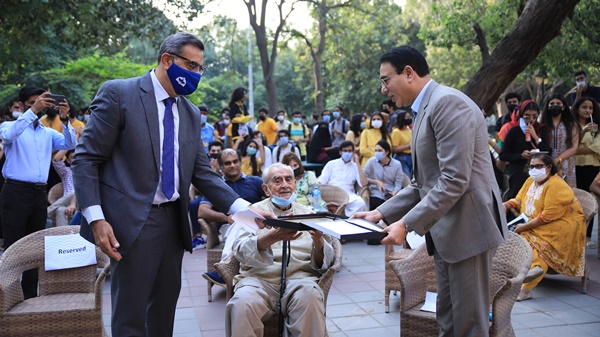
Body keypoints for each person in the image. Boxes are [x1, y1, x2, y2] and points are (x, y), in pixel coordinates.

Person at [72, 33, 272, 337]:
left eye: (199, 68)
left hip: (173, 221)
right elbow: (86, 159)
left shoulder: (190, 113)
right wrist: (96, 218)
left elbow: (203, 174)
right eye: (189, 65)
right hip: (132, 219)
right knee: (130, 314)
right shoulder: (120, 94)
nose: (194, 74)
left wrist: (248, 212)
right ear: (167, 59)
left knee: (164, 310)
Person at [354, 46, 505, 337]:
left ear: (408, 73)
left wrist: (406, 224)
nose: (383, 89)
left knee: (468, 325)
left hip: (468, 231)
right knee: (448, 320)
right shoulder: (425, 107)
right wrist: (380, 212)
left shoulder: (447, 103)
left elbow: (453, 180)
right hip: (448, 233)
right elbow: (421, 183)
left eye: (386, 80)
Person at [226, 163, 334, 337]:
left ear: (295, 183)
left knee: (310, 296)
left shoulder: (309, 214)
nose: (284, 185)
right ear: (266, 189)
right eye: (277, 181)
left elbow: (326, 262)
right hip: (259, 280)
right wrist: (270, 238)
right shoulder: (253, 213)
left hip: (299, 280)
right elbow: (239, 250)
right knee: (241, 302)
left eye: (288, 179)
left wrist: (318, 240)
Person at [0, 85, 77, 299]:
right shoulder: (9, 126)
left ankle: (31, 298)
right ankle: (10, 298)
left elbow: (71, 143)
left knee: (36, 247)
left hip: (38, 194)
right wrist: (33, 111)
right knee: (14, 247)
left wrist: (65, 119)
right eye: (35, 101)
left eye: (44, 101)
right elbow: (8, 136)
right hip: (15, 191)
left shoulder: (47, 133)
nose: (41, 105)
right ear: (25, 104)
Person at [503, 153, 585, 301]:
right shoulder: (530, 181)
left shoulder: (556, 184)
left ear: (549, 167)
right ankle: (520, 274)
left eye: (539, 166)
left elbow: (547, 215)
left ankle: (526, 289)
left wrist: (524, 227)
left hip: (562, 224)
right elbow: (520, 199)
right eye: (532, 166)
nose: (535, 169)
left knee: (541, 247)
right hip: (537, 222)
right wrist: (508, 204)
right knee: (517, 239)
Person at [200, 148, 266, 285]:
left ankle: (229, 271)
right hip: (229, 227)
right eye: (227, 163)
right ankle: (226, 266)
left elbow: (271, 199)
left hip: (258, 227)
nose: (232, 165)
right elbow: (202, 211)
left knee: (243, 222)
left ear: (240, 162)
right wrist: (226, 218)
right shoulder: (216, 186)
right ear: (221, 166)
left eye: (235, 161)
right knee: (238, 221)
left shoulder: (255, 181)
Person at [499, 100, 551, 200]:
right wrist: (520, 156)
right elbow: (503, 154)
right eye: (527, 116)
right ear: (522, 114)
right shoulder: (514, 131)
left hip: (538, 173)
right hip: (519, 173)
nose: (531, 119)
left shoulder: (541, 129)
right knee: (517, 201)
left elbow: (547, 151)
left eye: (534, 116)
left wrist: (535, 137)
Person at [573, 97, 600, 249]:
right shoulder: (573, 125)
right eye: (584, 107)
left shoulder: (597, 127)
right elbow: (572, 145)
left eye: (590, 108)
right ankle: (577, 235)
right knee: (577, 201)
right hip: (576, 168)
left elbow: (597, 148)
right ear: (577, 108)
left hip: (592, 167)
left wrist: (577, 149)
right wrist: (583, 133)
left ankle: (588, 235)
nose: (588, 110)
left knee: (591, 201)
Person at [318, 141, 367, 216]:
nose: (347, 153)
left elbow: (363, 183)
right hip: (331, 193)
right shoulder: (331, 164)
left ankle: (346, 219)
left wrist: (357, 162)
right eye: (345, 151)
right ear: (340, 152)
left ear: (353, 152)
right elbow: (322, 181)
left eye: (350, 151)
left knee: (360, 203)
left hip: (348, 194)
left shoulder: (355, 166)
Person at [540, 94, 579, 187]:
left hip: (567, 162)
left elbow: (574, 147)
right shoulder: (542, 124)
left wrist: (558, 159)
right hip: (546, 162)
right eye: (552, 103)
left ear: (563, 106)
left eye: (558, 103)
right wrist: (551, 161)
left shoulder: (571, 124)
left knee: (567, 192)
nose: (555, 105)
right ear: (548, 106)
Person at [364, 140, 405, 211]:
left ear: (387, 152)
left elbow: (398, 184)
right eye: (376, 150)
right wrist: (376, 182)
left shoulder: (397, 164)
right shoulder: (371, 161)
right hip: (375, 192)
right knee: (376, 204)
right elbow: (364, 178)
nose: (377, 153)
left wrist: (393, 194)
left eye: (380, 150)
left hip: (391, 193)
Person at [47, 150, 77, 227]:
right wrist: (70, 144)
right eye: (72, 158)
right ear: (68, 160)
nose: (75, 159)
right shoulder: (66, 172)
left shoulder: (86, 173)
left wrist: (73, 204)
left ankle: (47, 212)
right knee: (60, 210)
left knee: (74, 192)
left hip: (80, 203)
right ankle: (63, 237)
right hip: (64, 202)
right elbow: (56, 160)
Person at [391, 110, 413, 178]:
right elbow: (394, 148)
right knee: (406, 180)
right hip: (401, 158)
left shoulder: (409, 130)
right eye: (407, 117)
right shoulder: (396, 132)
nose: (409, 119)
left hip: (411, 157)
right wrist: (408, 146)